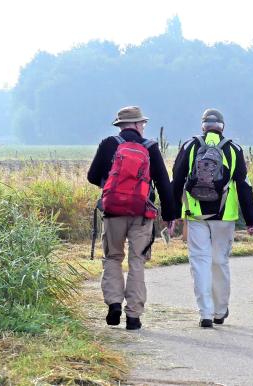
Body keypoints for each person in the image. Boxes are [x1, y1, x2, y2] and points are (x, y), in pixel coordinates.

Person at [87, 106, 176, 330]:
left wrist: (109, 185)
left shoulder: (108, 144)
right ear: (138, 125)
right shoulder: (150, 147)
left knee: (113, 257)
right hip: (141, 213)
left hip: (113, 211)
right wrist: (169, 215)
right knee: (137, 261)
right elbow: (165, 184)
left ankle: (114, 303)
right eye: (142, 124)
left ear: (120, 125)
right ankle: (134, 316)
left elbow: (91, 176)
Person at [172, 108, 253, 328]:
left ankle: (205, 313)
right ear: (222, 127)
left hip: (195, 214)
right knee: (220, 262)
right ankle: (220, 311)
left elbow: (176, 180)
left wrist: (171, 214)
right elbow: (244, 185)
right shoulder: (233, 148)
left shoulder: (190, 146)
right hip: (224, 216)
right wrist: (251, 220)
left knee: (200, 262)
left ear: (203, 126)